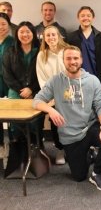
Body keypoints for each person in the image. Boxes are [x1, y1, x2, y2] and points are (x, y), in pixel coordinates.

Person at [33, 45, 101, 191]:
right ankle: (90, 154)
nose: (72, 61)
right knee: (79, 176)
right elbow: (37, 101)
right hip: (69, 134)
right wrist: (50, 110)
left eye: (75, 58)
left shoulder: (92, 80)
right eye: (68, 58)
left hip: (89, 127)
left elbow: (100, 107)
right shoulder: (56, 81)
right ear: (63, 61)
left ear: (81, 60)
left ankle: (96, 173)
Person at [2, 21, 42, 143]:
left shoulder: (41, 51)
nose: (25, 34)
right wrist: (21, 90)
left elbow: (43, 74)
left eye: (28, 32)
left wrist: (31, 89)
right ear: (17, 34)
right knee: (15, 122)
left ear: (33, 34)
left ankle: (37, 147)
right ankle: (18, 148)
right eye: (21, 32)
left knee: (35, 121)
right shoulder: (10, 51)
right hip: (15, 91)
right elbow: (7, 74)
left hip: (36, 90)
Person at [36, 25, 68, 165]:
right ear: (44, 38)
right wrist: (52, 96)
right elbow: (42, 78)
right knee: (55, 121)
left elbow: (73, 72)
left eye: (53, 35)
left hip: (69, 93)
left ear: (59, 35)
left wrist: (64, 94)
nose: (51, 38)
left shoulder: (67, 51)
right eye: (48, 35)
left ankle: (74, 149)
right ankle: (60, 149)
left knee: (72, 120)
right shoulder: (42, 54)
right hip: (52, 95)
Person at [67, 6, 101, 85]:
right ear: (78, 18)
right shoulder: (71, 37)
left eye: (88, 16)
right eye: (82, 16)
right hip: (76, 79)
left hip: (97, 79)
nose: (85, 18)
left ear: (93, 17)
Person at [0, 13, 14, 157]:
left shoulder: (13, 42)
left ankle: (12, 143)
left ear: (9, 26)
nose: (0, 27)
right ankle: (0, 145)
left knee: (12, 114)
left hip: (9, 82)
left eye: (3, 24)